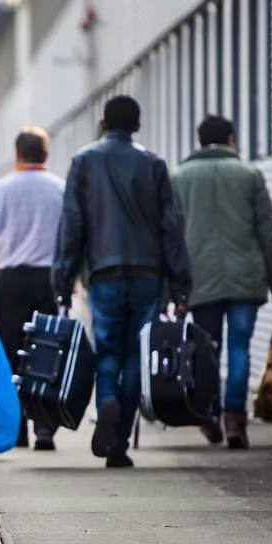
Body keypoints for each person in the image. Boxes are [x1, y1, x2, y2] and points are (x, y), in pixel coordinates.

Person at [53, 95, 191, 469]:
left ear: (102, 124)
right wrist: (181, 285)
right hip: (148, 275)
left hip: (104, 273)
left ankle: (107, 401)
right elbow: (170, 229)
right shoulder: (153, 164)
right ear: (137, 127)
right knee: (136, 353)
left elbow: (73, 223)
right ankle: (119, 445)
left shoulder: (83, 162)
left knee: (108, 349)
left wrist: (63, 275)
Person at [173, 115, 272, 449]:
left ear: (199, 141)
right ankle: (235, 419)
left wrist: (175, 288)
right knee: (239, 348)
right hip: (245, 279)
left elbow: (172, 238)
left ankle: (209, 415)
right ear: (231, 139)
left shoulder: (179, 178)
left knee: (208, 351)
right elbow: (268, 237)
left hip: (200, 280)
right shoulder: (249, 175)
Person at [0, 127, 66, 451]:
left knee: (12, 352)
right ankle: (44, 426)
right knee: (46, 350)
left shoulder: (0, 190)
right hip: (49, 278)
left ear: (17, 154)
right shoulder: (61, 189)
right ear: (45, 154)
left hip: (11, 279)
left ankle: (16, 428)